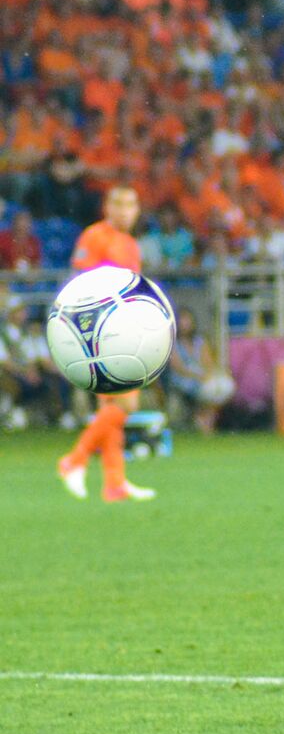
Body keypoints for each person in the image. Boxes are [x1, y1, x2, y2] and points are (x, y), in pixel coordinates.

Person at [56, 186, 157, 503]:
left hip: (124, 331)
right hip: (102, 333)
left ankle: (114, 483)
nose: (126, 211)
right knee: (127, 405)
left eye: (131, 205)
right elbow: (82, 282)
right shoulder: (95, 236)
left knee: (111, 408)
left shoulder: (130, 244)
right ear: (107, 208)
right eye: (120, 204)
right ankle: (75, 458)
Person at [165, 307, 235, 434]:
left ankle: (205, 416)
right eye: (182, 321)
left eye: (187, 320)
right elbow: (178, 368)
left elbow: (208, 363)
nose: (185, 324)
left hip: (201, 376)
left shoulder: (200, 342)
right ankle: (204, 417)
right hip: (182, 378)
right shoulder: (172, 344)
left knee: (223, 386)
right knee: (207, 388)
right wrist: (199, 377)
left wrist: (210, 374)